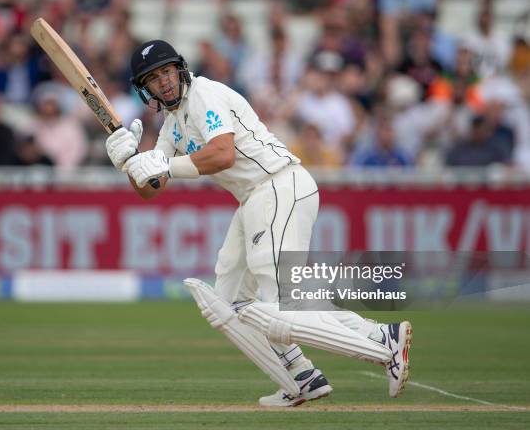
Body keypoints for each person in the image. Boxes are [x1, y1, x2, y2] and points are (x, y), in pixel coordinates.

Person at [105, 40, 413, 406]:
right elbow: (151, 188)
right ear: (146, 89)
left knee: (284, 302)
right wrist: (130, 164)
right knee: (229, 301)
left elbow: (222, 153)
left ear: (180, 69)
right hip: (254, 199)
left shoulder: (204, 95)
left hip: (280, 185)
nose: (164, 82)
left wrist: (163, 165)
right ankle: (303, 374)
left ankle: (381, 347)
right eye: (154, 78)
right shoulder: (173, 125)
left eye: (167, 71)